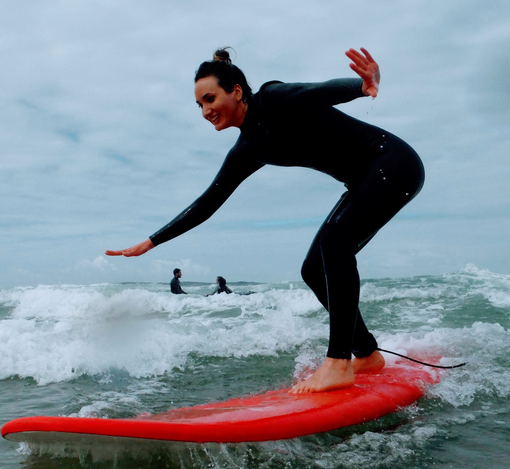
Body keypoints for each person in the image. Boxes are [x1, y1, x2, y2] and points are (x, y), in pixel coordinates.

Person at [106, 47, 424, 393]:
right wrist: (152, 240)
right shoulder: (247, 149)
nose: (205, 110)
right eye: (199, 105)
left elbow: (317, 90)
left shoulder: (273, 99)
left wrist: (361, 85)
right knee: (313, 270)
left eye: (210, 98)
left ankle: (338, 363)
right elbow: (208, 201)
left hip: (393, 163)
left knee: (335, 243)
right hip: (366, 180)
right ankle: (365, 353)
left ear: (237, 91)